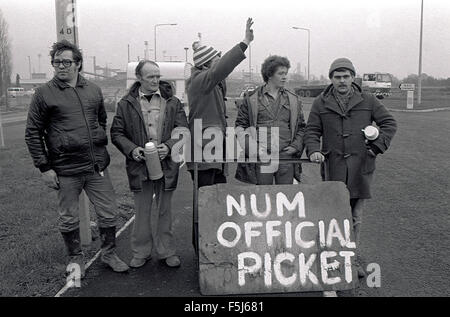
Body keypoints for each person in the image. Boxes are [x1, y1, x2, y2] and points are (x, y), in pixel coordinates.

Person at [25, 40, 129, 277]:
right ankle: (75, 259)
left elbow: (100, 120)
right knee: (69, 218)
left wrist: (97, 138)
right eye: (56, 62)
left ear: (78, 64)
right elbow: (32, 132)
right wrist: (44, 167)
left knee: (109, 212)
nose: (61, 66)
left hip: (96, 166)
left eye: (66, 62)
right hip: (65, 169)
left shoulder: (93, 89)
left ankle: (109, 253)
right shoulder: (43, 94)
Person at [304, 57, 397, 277]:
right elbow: (311, 131)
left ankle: (351, 261)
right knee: (333, 217)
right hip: (333, 168)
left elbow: (389, 123)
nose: (342, 81)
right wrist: (313, 150)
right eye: (337, 77)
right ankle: (332, 260)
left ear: (353, 77)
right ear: (331, 79)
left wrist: (375, 148)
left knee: (355, 217)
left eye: (346, 76)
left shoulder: (369, 99)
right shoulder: (320, 102)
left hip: (360, 169)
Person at [110, 60, 188, 268]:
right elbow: (117, 133)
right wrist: (132, 150)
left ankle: (167, 251)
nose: (155, 80)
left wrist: (170, 146)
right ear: (139, 78)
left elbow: (183, 130)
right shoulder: (126, 104)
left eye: (157, 76)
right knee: (142, 210)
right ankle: (141, 251)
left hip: (166, 164)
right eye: (150, 76)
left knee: (165, 210)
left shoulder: (173, 102)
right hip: (140, 165)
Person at [187, 17, 254, 187]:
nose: (219, 64)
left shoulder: (210, 83)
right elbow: (222, 68)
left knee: (217, 196)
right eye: (216, 61)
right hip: (204, 149)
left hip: (213, 147)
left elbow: (220, 72)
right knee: (206, 198)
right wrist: (244, 42)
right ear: (206, 65)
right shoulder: (201, 80)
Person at [235, 55, 306, 184]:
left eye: (286, 73)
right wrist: (255, 149)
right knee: (263, 198)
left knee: (286, 198)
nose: (285, 77)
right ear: (269, 75)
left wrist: (296, 146)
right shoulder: (251, 99)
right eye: (281, 73)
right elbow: (240, 128)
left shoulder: (293, 100)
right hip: (262, 158)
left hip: (286, 157)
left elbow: (301, 127)